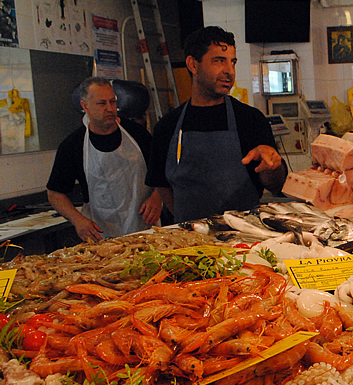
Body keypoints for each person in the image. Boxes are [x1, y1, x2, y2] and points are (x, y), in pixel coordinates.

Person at [147, 26, 286, 222]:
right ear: (193, 65)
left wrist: (272, 166)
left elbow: (275, 185)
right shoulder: (168, 126)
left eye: (233, 62)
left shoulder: (251, 119)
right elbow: (161, 183)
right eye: (219, 61)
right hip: (191, 240)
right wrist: (186, 222)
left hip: (244, 238)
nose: (229, 71)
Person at [46, 77, 161, 242]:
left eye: (112, 102)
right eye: (102, 103)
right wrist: (78, 220)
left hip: (147, 230)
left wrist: (157, 197)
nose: (110, 109)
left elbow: (163, 172)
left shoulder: (139, 135)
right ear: (85, 106)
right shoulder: (73, 145)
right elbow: (55, 194)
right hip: (101, 236)